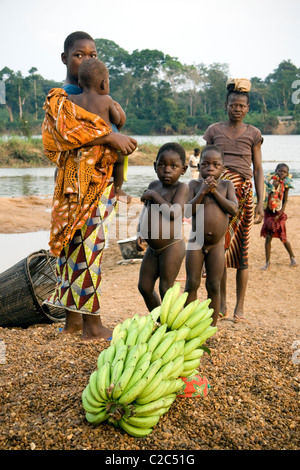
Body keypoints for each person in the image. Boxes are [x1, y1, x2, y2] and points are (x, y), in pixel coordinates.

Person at [42, 31, 137, 341]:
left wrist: (113, 134)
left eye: (92, 54)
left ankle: (72, 322)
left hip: (96, 185)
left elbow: (115, 124)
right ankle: (90, 326)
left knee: (78, 248)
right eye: (79, 54)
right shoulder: (60, 99)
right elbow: (63, 136)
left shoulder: (94, 97)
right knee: (85, 251)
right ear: (65, 58)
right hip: (75, 188)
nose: (86, 59)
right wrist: (110, 136)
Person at [203, 78, 264, 322]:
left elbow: (258, 169)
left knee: (241, 252)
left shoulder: (254, 134)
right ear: (225, 105)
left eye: (241, 105)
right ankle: (223, 304)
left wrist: (261, 202)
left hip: (243, 198)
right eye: (232, 105)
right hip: (217, 195)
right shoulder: (214, 130)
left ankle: (240, 307)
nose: (236, 109)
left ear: (247, 108)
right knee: (220, 249)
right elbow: (205, 165)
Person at [184, 145, 238, 326]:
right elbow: (187, 211)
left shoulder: (226, 185)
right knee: (192, 283)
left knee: (214, 286)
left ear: (223, 168)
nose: (210, 168)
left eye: (216, 165)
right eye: (205, 164)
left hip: (216, 245)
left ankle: (211, 326)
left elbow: (234, 209)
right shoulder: (193, 185)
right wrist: (203, 192)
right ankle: (188, 324)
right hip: (196, 242)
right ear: (199, 167)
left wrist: (215, 192)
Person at [136, 142, 189, 312]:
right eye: (162, 165)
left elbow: (174, 212)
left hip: (172, 246)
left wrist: (154, 196)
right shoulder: (153, 185)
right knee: (144, 286)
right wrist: (140, 232)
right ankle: (160, 320)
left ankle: (175, 324)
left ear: (184, 169)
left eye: (174, 166)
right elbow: (146, 210)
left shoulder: (181, 188)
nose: (167, 170)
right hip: (153, 249)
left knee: (166, 288)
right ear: (155, 166)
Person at [67, 57, 129, 200]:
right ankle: (118, 190)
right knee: (120, 160)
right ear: (104, 83)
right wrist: (117, 109)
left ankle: (74, 191)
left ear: (79, 83)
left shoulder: (72, 99)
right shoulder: (106, 100)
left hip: (85, 148)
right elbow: (117, 120)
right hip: (107, 147)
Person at [261, 163, 297, 269]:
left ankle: (292, 257)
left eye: (284, 172)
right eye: (280, 171)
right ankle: (267, 262)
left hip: (279, 213)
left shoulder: (285, 184)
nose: (282, 173)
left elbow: (285, 200)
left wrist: (280, 213)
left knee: (282, 236)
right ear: (276, 170)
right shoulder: (269, 181)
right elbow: (264, 195)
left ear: (287, 174)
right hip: (268, 213)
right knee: (268, 237)